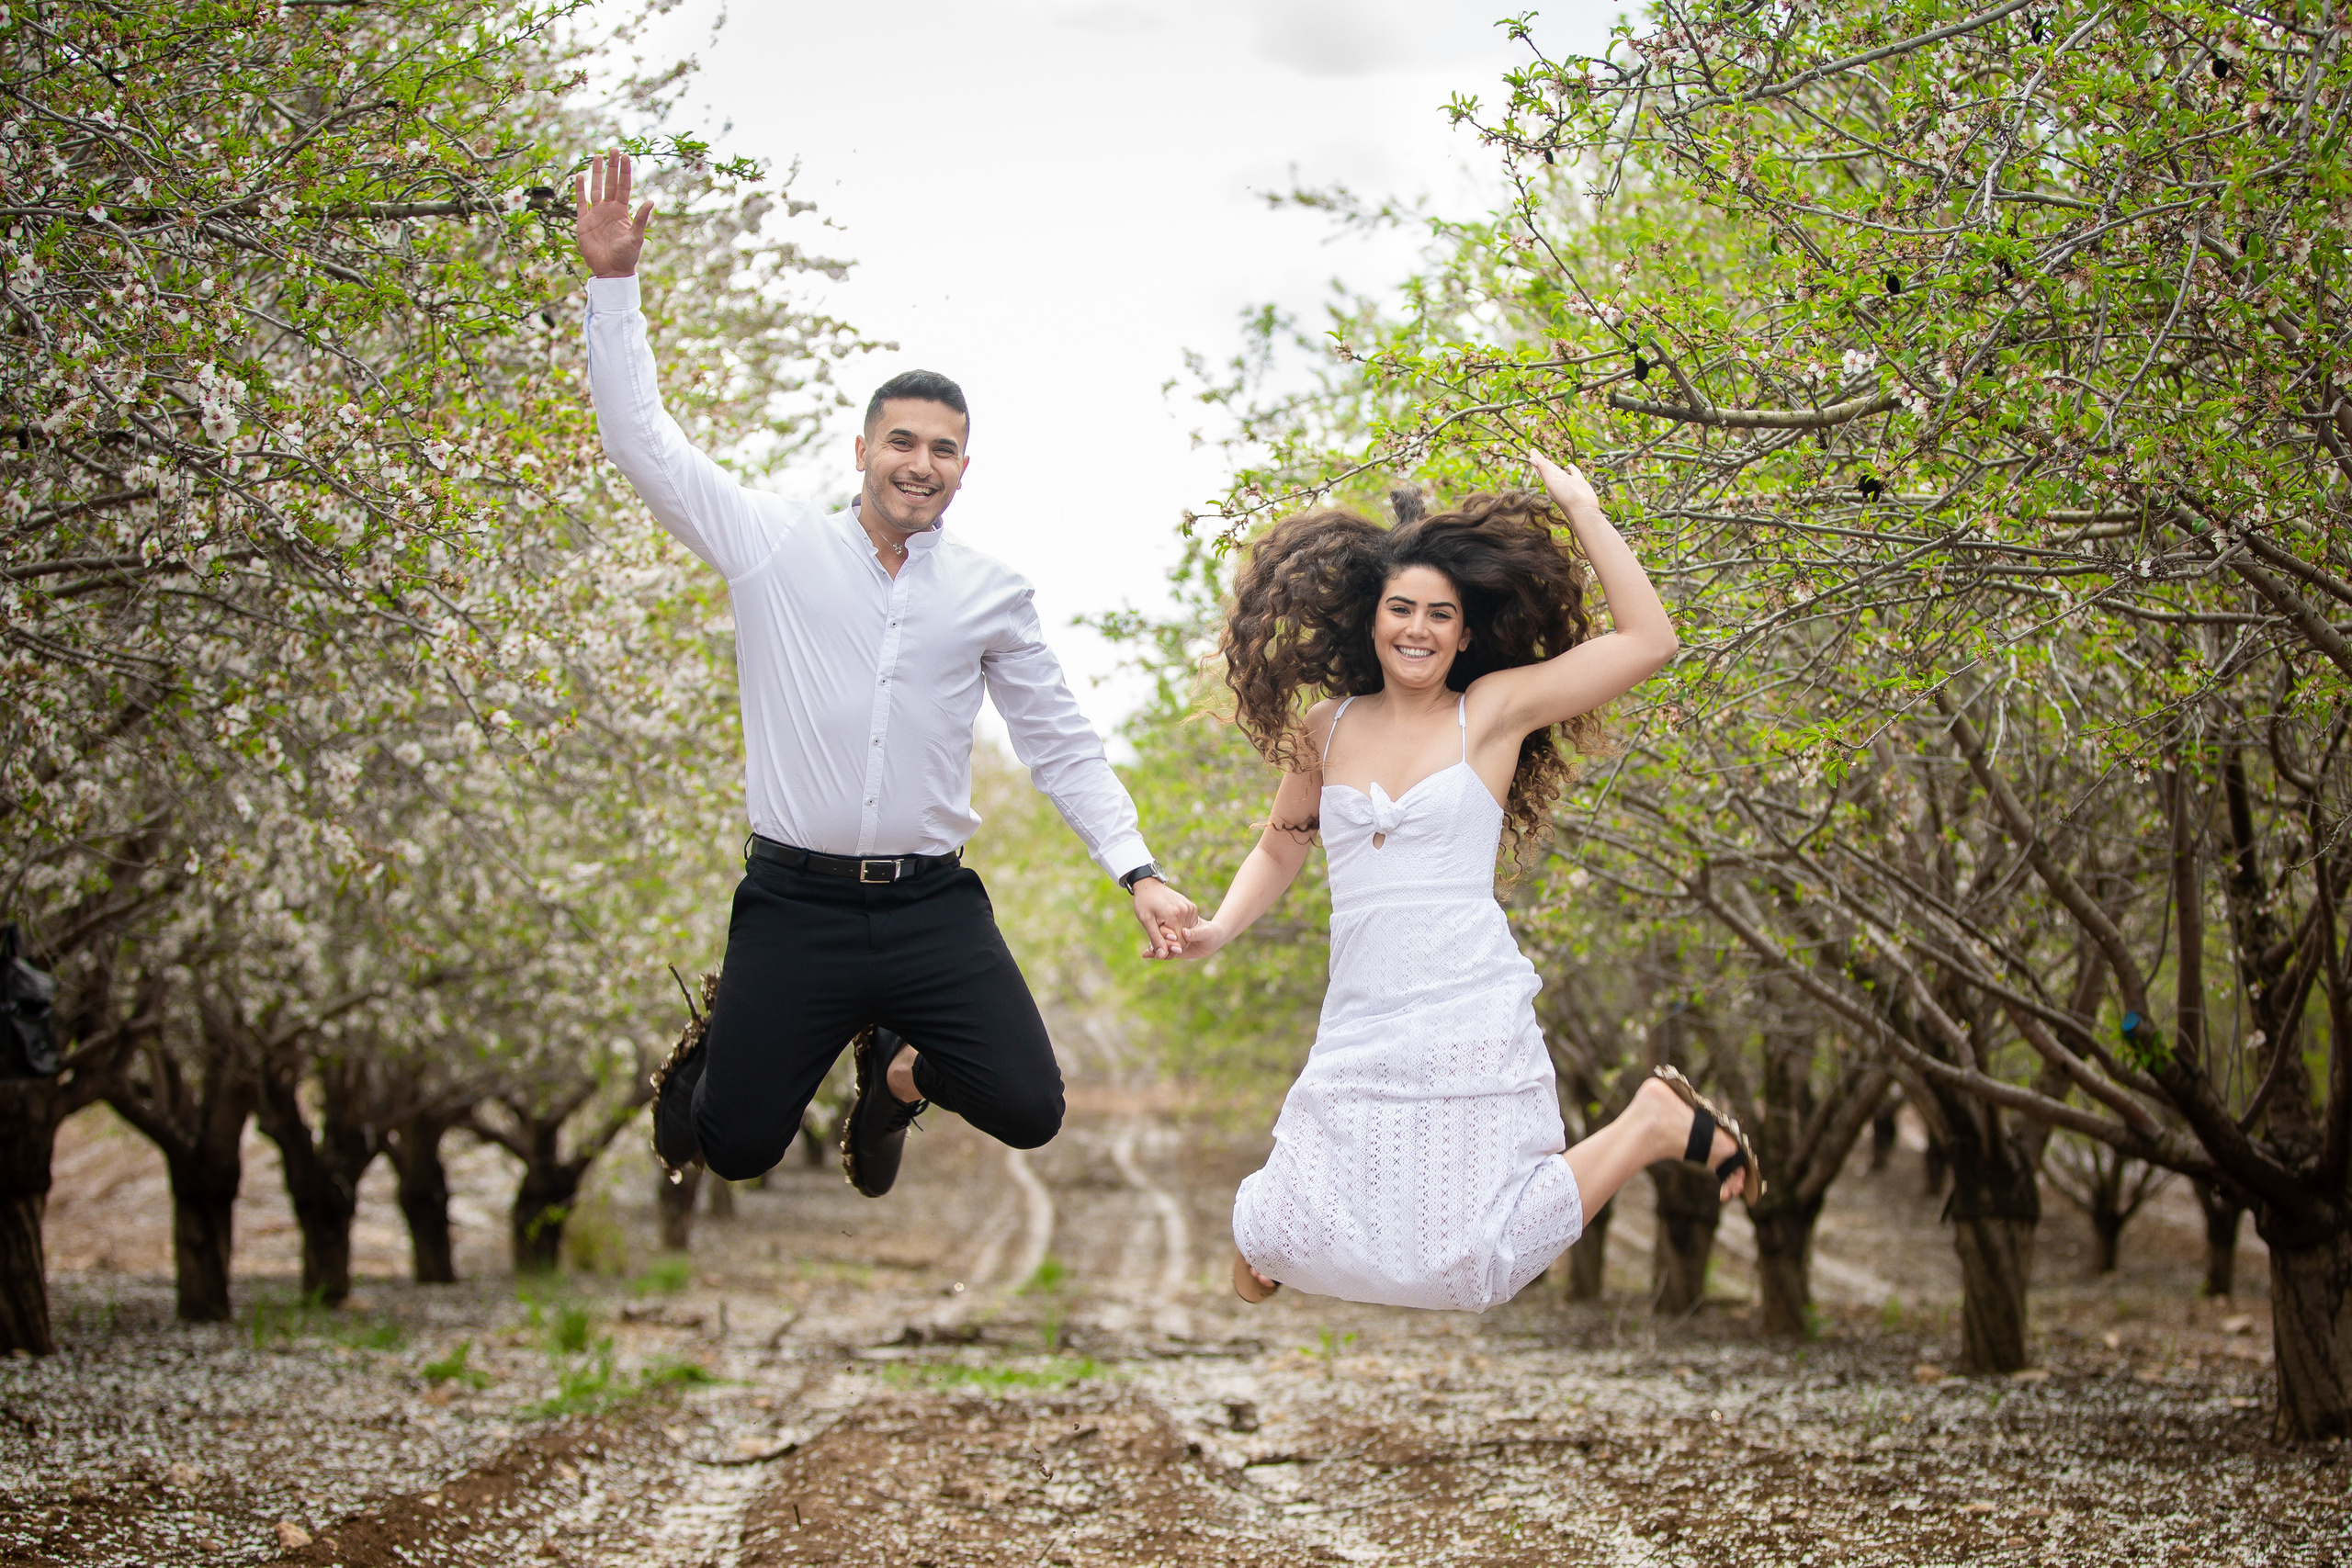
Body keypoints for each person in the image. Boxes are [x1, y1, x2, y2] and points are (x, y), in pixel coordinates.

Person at [573, 151, 1196, 1197]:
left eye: (943, 449)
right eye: (901, 442)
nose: (921, 463)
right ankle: (726, 1041)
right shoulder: (770, 544)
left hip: (928, 906)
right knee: (737, 1147)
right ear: (861, 449)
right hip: (793, 903)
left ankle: (897, 1072)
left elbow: (1059, 742)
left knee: (1029, 1107)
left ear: (964, 467)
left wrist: (1139, 871)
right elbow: (643, 443)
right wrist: (614, 285)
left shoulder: (993, 593)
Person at [1172, 459, 1759, 1309]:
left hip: (1464, 1002)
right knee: (1281, 1235)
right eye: (1400, 609)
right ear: (1371, 618)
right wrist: (1220, 928)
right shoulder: (1327, 727)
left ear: (1464, 633)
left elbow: (1649, 642)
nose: (1417, 629)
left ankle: (1649, 1125)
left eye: (1439, 614)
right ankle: (1266, 1240)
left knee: (1471, 1268)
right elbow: (1282, 844)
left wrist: (1582, 507)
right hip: (1363, 1009)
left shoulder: (1489, 711)